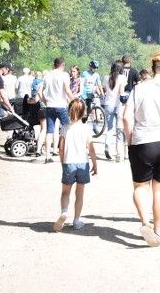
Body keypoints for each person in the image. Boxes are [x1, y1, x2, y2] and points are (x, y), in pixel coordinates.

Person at [123, 52, 160, 247]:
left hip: (143, 141)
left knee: (140, 186)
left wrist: (129, 140)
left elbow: (126, 117)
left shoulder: (139, 89)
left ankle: (144, 223)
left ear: (153, 67)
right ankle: (157, 231)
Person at [54, 98, 98, 232]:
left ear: (69, 111)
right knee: (80, 193)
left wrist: (62, 162)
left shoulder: (65, 128)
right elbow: (91, 148)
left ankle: (64, 211)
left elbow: (61, 148)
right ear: (84, 112)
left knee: (65, 192)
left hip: (69, 163)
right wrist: (95, 164)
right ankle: (77, 220)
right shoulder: (86, 128)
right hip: (83, 164)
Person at [38, 58, 74, 164]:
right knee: (68, 129)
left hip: (49, 106)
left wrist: (45, 101)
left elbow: (40, 92)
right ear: (63, 65)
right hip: (61, 105)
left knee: (49, 131)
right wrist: (74, 101)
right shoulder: (64, 75)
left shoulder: (47, 75)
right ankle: (69, 154)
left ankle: (48, 156)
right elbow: (67, 90)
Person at [102, 60, 126, 161]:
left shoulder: (106, 78)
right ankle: (118, 153)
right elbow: (121, 92)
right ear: (121, 69)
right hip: (119, 105)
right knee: (120, 129)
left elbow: (105, 90)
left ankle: (107, 147)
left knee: (110, 128)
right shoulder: (122, 78)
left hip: (108, 104)